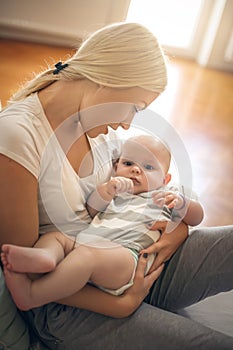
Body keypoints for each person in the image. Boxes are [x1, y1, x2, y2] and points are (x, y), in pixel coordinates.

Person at [0, 21, 232, 350]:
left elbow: (144, 192)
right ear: (109, 78)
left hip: (133, 260)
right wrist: (123, 304)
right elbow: (26, 273)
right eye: (135, 108)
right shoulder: (18, 137)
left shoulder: (99, 128)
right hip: (71, 302)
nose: (126, 123)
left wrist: (175, 232)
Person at [1, 134, 204, 309]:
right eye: (128, 163)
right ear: (116, 167)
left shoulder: (167, 194)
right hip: (86, 243)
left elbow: (197, 217)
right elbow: (92, 209)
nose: (135, 170)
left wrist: (182, 204)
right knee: (57, 237)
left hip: (125, 257)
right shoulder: (118, 191)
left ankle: (32, 295)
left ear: (165, 179)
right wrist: (107, 190)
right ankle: (46, 257)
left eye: (148, 167)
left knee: (87, 257)